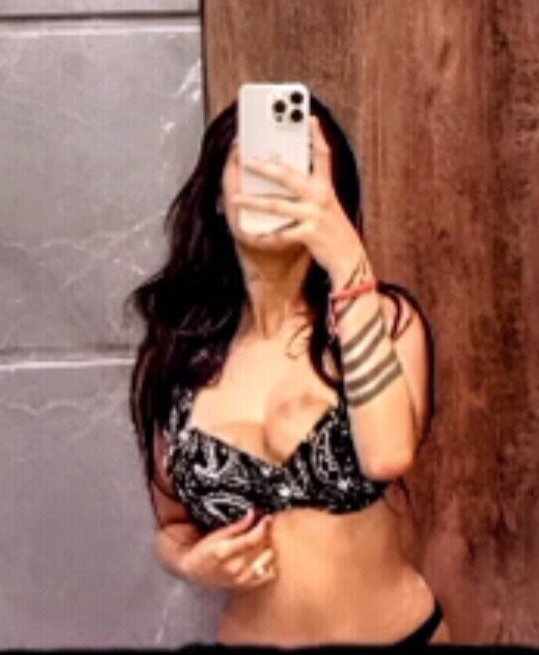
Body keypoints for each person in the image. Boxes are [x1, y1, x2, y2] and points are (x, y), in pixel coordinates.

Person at [125, 94, 448, 645]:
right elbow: (173, 525)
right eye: (252, 163)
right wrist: (190, 564)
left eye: (297, 168)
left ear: (330, 196)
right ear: (218, 196)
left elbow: (388, 455)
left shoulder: (383, 319)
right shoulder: (181, 354)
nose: (273, 180)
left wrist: (348, 262)